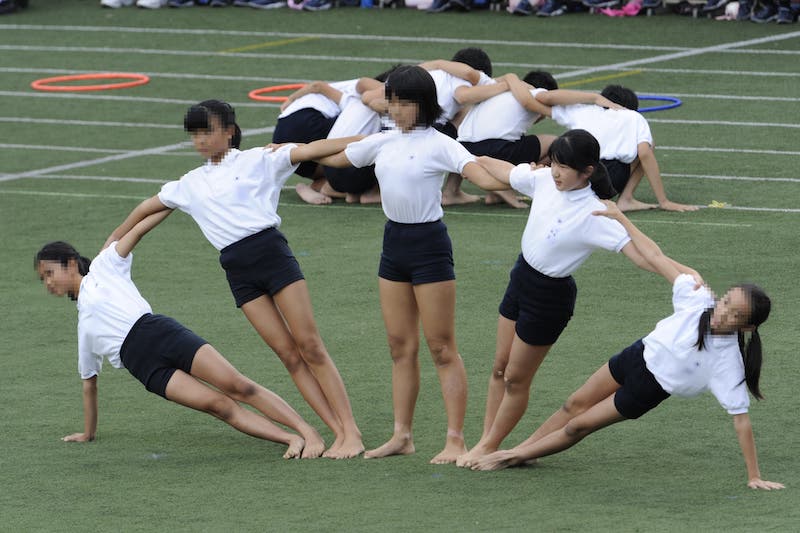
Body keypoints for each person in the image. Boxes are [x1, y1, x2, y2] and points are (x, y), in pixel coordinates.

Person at [104, 100, 365, 459]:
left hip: (271, 256)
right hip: (238, 272)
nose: (200, 140)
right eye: (194, 134)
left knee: (310, 345)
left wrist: (367, 137)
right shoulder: (189, 184)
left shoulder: (259, 158)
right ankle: (336, 432)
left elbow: (314, 149)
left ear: (229, 131)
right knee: (287, 355)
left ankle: (351, 432)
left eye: (207, 131)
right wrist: (111, 242)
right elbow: (148, 208)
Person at [470, 202, 784, 492]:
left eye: (736, 316)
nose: (724, 313)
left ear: (747, 327)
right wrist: (622, 219)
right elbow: (656, 257)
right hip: (635, 356)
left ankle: (510, 457)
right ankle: (524, 452)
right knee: (573, 405)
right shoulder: (698, 298)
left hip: (647, 390)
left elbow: (740, 419)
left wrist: (754, 475)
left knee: (578, 426)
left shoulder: (728, 361)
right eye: (727, 302)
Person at [454, 129, 701, 468]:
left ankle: (488, 446)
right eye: (553, 163)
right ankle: (486, 439)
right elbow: (503, 171)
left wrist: (682, 272)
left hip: (549, 298)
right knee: (499, 367)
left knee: (516, 377)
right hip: (520, 278)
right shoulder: (543, 180)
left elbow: (643, 257)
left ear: (587, 172)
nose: (556, 171)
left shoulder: (595, 213)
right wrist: (466, 154)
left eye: (564, 167)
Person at [317, 66, 502, 464]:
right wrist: (282, 155)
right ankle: (402, 435)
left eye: (403, 102)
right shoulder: (382, 141)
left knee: (442, 347)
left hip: (429, 245)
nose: (395, 109)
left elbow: (483, 179)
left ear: (423, 105)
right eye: (392, 101)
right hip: (393, 244)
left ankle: (456, 440)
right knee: (400, 346)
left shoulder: (441, 144)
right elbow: (334, 157)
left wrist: (529, 177)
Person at [34, 218, 325, 459]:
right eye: (42, 279)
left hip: (160, 333)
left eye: (49, 273)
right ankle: (289, 438)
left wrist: (167, 202)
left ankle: (308, 432)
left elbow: (134, 231)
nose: (47, 283)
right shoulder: (83, 327)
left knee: (239, 386)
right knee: (219, 406)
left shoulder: (103, 268)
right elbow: (89, 385)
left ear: (71, 263)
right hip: (146, 368)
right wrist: (88, 433)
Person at [535, 85, 698, 212]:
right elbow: (644, 153)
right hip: (609, 180)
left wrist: (593, 97)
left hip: (575, 177)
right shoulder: (633, 116)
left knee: (561, 145)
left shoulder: (583, 111)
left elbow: (543, 99)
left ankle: (534, 185)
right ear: (630, 107)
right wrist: (664, 201)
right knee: (648, 144)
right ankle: (626, 199)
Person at [456, 70, 559, 208]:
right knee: (556, 144)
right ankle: (509, 187)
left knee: (516, 138)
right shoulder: (534, 94)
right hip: (493, 150)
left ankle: (491, 193)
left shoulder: (501, 91)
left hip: (461, 150)